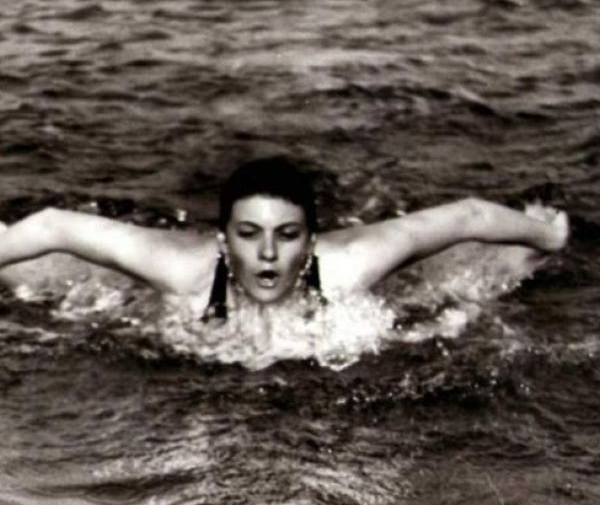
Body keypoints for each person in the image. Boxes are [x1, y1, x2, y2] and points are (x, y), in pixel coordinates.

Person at [0, 156, 568, 320]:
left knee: (494, 275)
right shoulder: (181, 268)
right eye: (248, 235)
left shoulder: (350, 262)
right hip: (185, 289)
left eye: (288, 235)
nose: (268, 254)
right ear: (224, 241)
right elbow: (55, 226)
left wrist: (550, 236)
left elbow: (467, 216)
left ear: (311, 242)